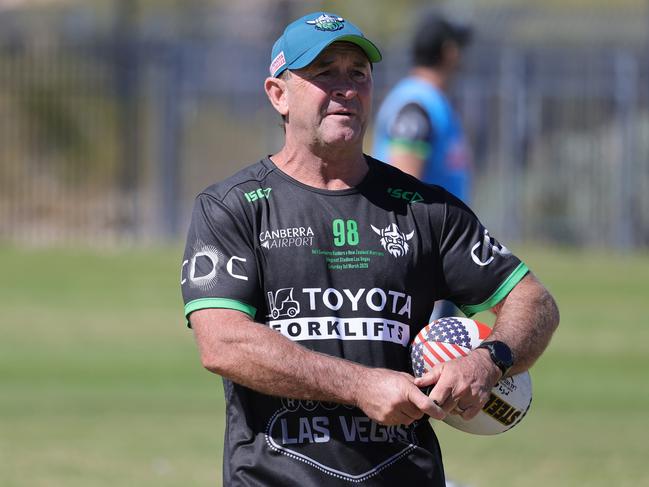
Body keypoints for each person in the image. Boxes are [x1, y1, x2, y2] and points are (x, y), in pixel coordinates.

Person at [180, 11, 559, 487]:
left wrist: (489, 359)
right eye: (324, 73)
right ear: (278, 94)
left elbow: (533, 301)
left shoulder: (425, 209)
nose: (345, 88)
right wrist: (361, 386)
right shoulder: (232, 207)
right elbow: (223, 343)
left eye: (357, 73)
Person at [373, 12, 474, 320]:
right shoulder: (416, 105)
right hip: (425, 258)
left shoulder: (431, 100)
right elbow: (402, 183)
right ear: (448, 51)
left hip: (442, 251)